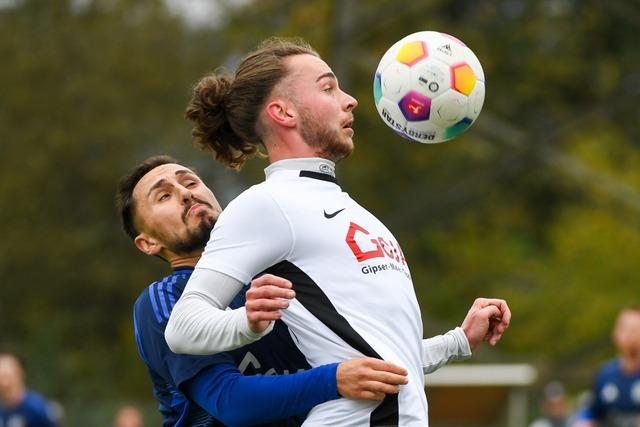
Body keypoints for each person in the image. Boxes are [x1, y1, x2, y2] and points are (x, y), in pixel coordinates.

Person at [164, 37, 511, 426]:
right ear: (283, 112)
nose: (351, 100)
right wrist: (246, 322)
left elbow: (383, 359)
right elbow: (182, 328)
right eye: (328, 88)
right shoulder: (267, 204)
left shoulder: (353, 211)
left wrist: (458, 342)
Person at [118, 155, 508, 426]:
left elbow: (362, 363)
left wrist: (458, 341)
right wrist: (332, 380)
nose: (187, 193)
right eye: (164, 195)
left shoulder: (272, 273)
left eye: (190, 181)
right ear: (148, 243)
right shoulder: (166, 300)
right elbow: (229, 402)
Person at [574, 306, 640, 427]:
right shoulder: (605, 374)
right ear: (615, 333)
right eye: (625, 329)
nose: (630, 335)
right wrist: (584, 421)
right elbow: (591, 411)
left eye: (636, 329)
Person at [0, 352, 60, 427]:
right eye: (1, 378)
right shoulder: (2, 411)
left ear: (20, 374)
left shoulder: (37, 408)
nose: (4, 383)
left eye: (7, 376)